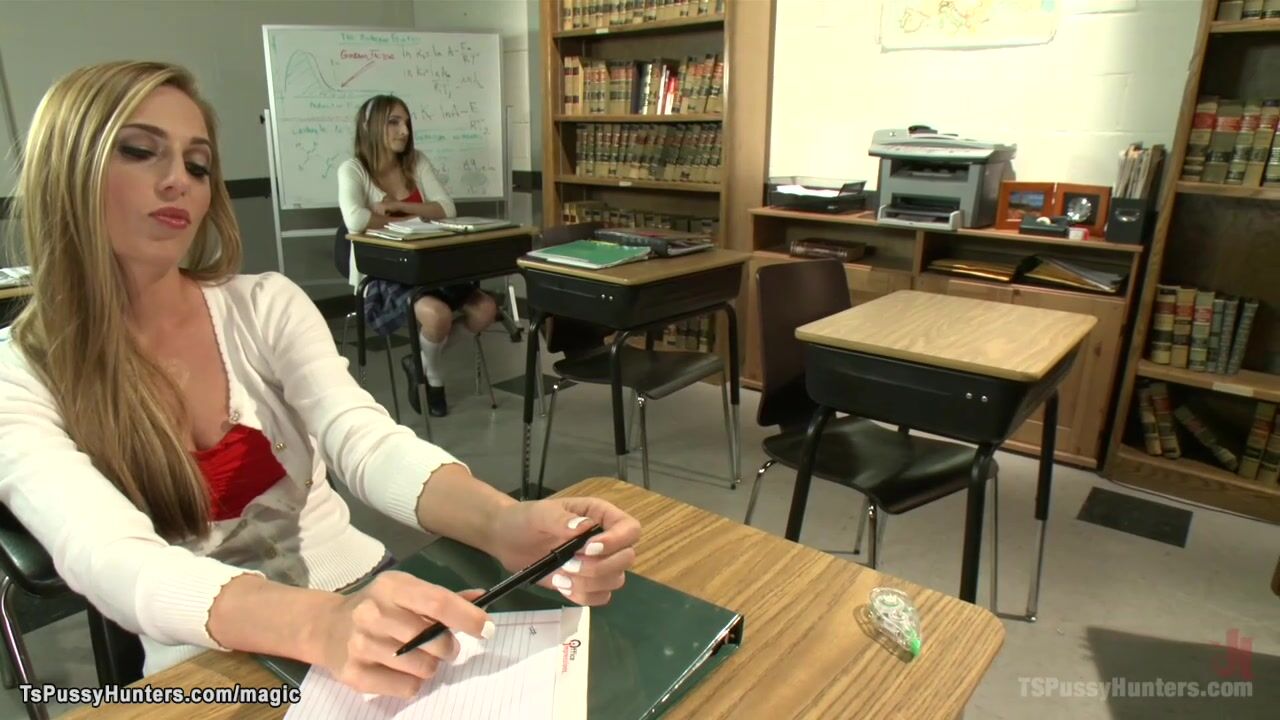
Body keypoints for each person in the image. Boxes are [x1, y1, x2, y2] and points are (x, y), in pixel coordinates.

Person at [0, 61, 640, 700]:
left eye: (198, 165)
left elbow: (364, 440)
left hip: (360, 596)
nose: (179, 182)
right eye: (140, 151)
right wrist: (321, 625)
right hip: (206, 666)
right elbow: (107, 556)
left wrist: (503, 522)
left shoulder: (264, 305)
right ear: (67, 167)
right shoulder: (18, 374)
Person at [337, 94, 497, 418]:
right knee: (437, 316)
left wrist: (399, 208)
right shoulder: (353, 169)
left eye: (407, 123)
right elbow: (355, 220)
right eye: (394, 122)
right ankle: (434, 377)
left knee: (485, 310)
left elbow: (448, 209)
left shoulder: (416, 162)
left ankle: (420, 361)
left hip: (428, 266)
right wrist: (420, 216)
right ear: (371, 127)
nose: (405, 131)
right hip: (384, 274)